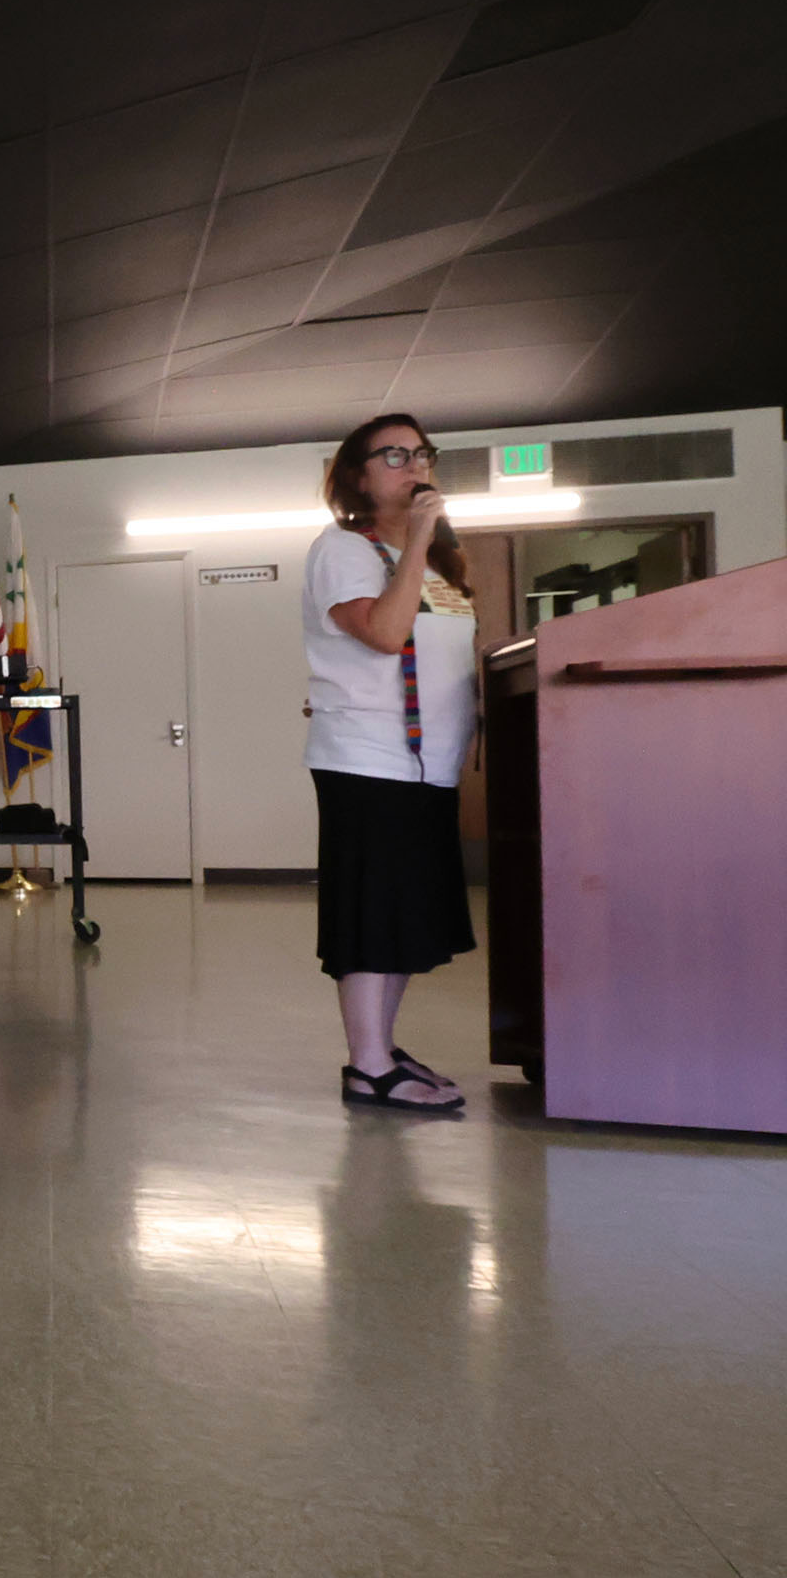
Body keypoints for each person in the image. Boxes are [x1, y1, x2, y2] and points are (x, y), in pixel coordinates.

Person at [303, 414, 479, 1110]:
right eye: (395, 455)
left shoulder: (432, 564)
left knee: (406, 915)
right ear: (358, 476)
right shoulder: (344, 548)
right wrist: (414, 547)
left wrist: (423, 547)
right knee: (373, 914)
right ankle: (367, 1065)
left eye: (423, 454)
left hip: (427, 768)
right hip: (370, 762)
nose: (415, 466)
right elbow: (381, 632)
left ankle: (381, 1045)